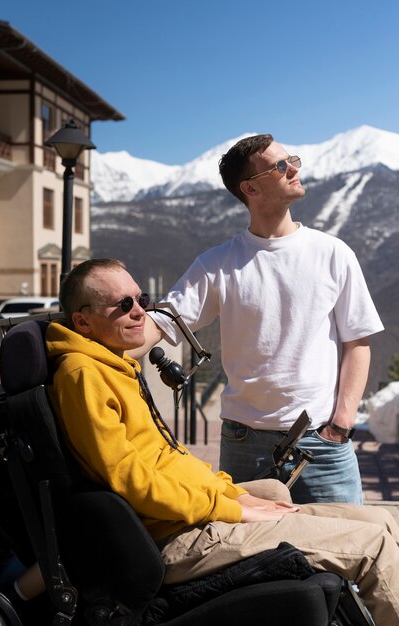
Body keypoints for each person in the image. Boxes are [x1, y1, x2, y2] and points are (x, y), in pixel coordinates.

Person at [45, 258, 399, 625]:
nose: (140, 313)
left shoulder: (112, 366)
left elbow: (168, 458)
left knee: (383, 521)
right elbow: (132, 481)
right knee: (373, 548)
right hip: (177, 537)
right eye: (123, 305)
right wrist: (232, 509)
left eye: (141, 299)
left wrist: (232, 494)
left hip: (189, 518)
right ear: (82, 321)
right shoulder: (83, 375)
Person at [135, 133, 384, 505]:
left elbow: (358, 343)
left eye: (292, 160)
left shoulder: (333, 253)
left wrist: (342, 424)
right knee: (255, 559)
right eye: (280, 165)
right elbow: (161, 323)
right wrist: (98, 347)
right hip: (243, 445)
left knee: (348, 553)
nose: (294, 169)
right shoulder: (216, 264)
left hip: (323, 444)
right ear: (250, 187)